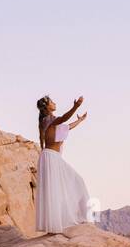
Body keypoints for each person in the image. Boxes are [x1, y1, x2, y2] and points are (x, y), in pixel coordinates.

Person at [35, 95, 91, 233]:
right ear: (47, 107)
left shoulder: (50, 121)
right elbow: (64, 119)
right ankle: (57, 225)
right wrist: (76, 106)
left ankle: (61, 222)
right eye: (52, 102)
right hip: (51, 157)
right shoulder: (48, 119)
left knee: (68, 184)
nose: (54, 103)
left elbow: (68, 126)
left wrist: (80, 120)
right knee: (64, 186)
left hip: (53, 157)